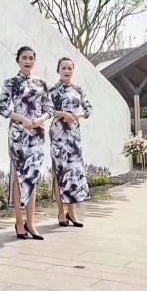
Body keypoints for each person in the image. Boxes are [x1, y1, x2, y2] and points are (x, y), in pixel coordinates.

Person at [0, 46, 54, 240]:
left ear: (34, 61)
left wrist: (39, 120)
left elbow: (49, 108)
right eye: (24, 58)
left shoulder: (41, 83)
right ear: (18, 60)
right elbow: (2, 108)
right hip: (18, 135)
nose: (28, 61)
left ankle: (31, 222)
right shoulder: (11, 82)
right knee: (19, 177)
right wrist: (21, 119)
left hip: (36, 134)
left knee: (32, 177)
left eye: (31, 58)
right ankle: (19, 222)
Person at [49, 57, 93, 228]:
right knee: (60, 173)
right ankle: (61, 212)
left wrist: (76, 115)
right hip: (58, 135)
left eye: (69, 68)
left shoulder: (78, 90)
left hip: (74, 136)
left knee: (74, 173)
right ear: (58, 70)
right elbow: (47, 109)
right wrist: (63, 114)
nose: (67, 71)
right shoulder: (53, 91)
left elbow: (88, 109)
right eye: (64, 68)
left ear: (73, 70)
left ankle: (72, 212)